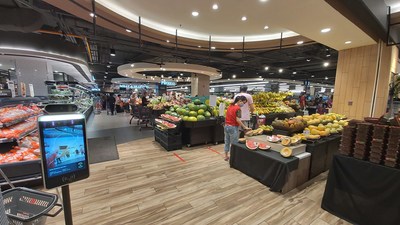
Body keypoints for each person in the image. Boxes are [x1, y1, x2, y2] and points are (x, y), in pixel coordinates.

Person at [224, 96, 251, 161]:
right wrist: (245, 127)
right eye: (243, 103)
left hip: (226, 126)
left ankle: (226, 156)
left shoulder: (230, 106)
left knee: (227, 141)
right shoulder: (238, 108)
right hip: (233, 127)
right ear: (239, 101)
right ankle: (233, 158)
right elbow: (238, 119)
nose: (243, 104)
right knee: (234, 143)